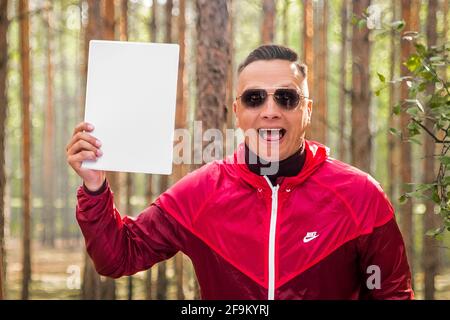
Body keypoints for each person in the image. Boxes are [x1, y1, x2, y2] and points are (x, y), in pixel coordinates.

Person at [66, 45, 414, 300]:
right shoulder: (201, 192)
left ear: (307, 110)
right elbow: (118, 257)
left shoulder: (360, 195)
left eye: (287, 99)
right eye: (254, 99)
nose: (270, 111)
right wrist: (95, 188)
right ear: (237, 110)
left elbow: (393, 293)